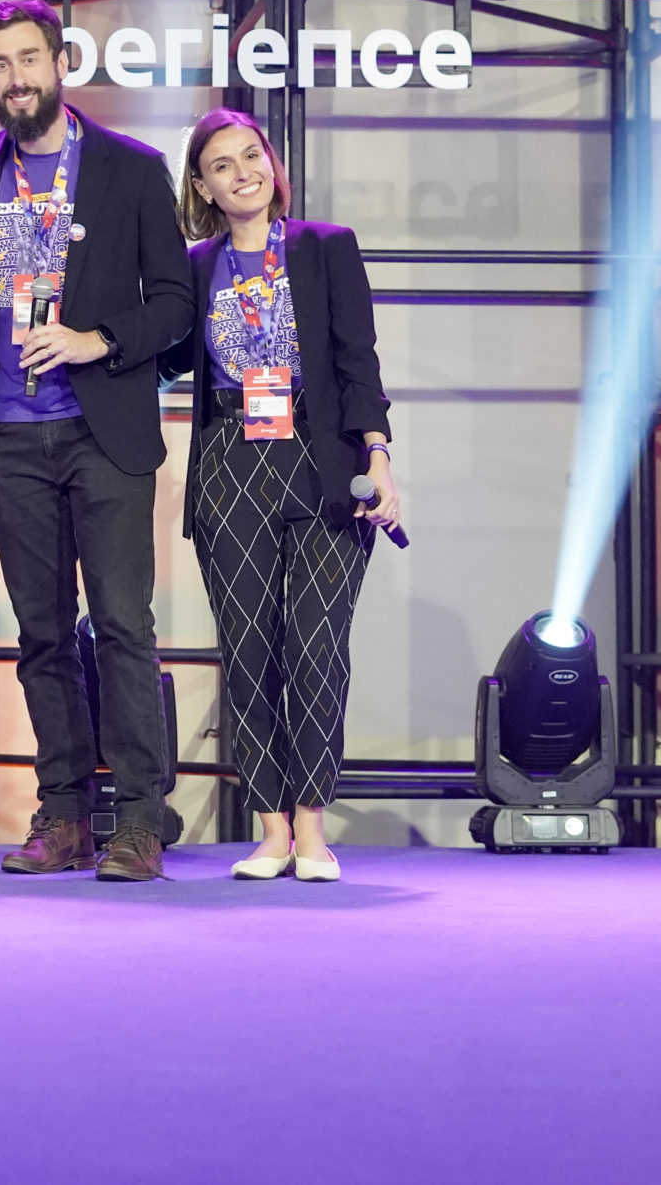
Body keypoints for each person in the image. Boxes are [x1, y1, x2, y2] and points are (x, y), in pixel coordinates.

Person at [0, 0, 195, 882]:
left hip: (103, 431)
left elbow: (176, 305)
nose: (16, 78)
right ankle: (64, 815)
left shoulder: (131, 168)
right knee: (41, 634)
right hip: (7, 434)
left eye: (28, 59)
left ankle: (139, 820)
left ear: (61, 62)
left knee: (122, 625)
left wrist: (95, 339)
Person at [160, 108, 398, 882]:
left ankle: (312, 828)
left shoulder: (326, 246)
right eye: (222, 165)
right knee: (249, 650)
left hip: (321, 458)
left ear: (272, 161)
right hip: (230, 459)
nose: (243, 172)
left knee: (317, 650)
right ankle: (269, 828)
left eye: (251, 154)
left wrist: (379, 456)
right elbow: (165, 358)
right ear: (203, 186)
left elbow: (358, 360)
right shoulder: (194, 265)